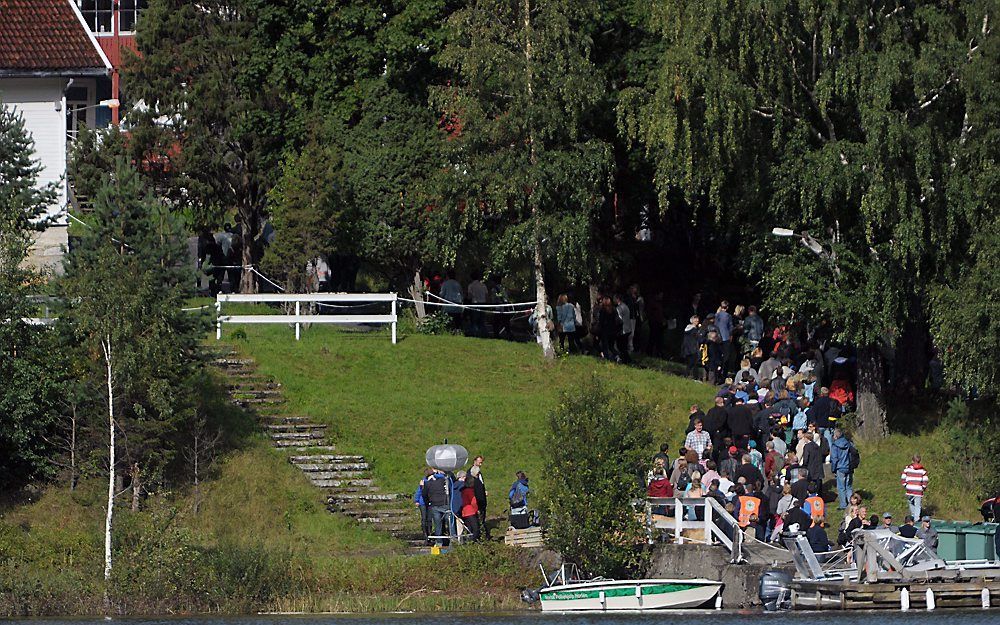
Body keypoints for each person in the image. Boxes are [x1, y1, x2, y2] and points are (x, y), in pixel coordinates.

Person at [423, 468, 451, 546]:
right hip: (445, 503)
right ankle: (453, 539)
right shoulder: (443, 480)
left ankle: (439, 542)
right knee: (449, 522)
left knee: (437, 524)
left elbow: (424, 495)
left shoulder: (427, 483)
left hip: (434, 505)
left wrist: (428, 503)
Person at [829, 428, 855, 509]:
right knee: (849, 486)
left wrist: (833, 469)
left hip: (840, 467)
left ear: (836, 436)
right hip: (849, 467)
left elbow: (834, 458)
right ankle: (852, 503)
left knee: (841, 487)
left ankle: (843, 505)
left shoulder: (835, 445)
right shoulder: (849, 443)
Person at [901, 455, 929, 520]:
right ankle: (916, 518)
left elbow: (903, 477)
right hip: (918, 490)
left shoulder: (907, 468)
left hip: (909, 489)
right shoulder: (923, 470)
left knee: (910, 502)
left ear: (912, 460)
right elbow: (925, 480)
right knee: (917, 505)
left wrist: (905, 485)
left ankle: (913, 516)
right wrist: (923, 487)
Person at [413, 468, 434, 544]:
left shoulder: (432, 481)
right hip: (423, 502)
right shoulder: (423, 481)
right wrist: (416, 500)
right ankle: (426, 535)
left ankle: (429, 534)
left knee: (429, 519)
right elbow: (419, 491)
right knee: (424, 518)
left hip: (430, 502)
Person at [471, 456, 489, 540]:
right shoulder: (472, 473)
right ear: (475, 461)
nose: (480, 464)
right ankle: (482, 535)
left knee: (482, 517)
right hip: (478, 500)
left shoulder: (479, 472)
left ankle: (483, 534)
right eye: (479, 462)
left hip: (482, 499)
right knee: (479, 519)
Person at [466, 272, 489, 337]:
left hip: (475, 304)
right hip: (483, 304)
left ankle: (475, 333)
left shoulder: (471, 285)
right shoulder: (483, 285)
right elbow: (487, 296)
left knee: (474, 320)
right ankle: (484, 334)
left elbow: (469, 297)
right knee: (482, 320)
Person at [614, 294, 632, 364]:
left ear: (618, 299)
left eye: (614, 299)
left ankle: (626, 360)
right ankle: (626, 359)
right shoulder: (625, 306)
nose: (613, 300)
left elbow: (619, 320)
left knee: (621, 346)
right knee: (623, 346)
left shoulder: (619, 308)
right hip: (628, 329)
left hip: (623, 330)